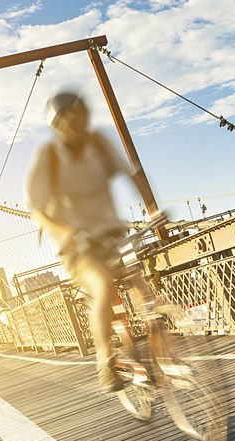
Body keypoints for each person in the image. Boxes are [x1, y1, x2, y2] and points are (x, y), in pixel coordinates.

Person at [25, 90, 150, 392]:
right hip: (76, 245)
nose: (80, 124)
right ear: (57, 124)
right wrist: (65, 230)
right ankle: (105, 361)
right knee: (104, 284)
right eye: (72, 120)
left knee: (143, 284)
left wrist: (152, 209)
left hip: (111, 232)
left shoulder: (98, 143)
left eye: (84, 117)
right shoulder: (49, 156)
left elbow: (131, 175)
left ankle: (160, 352)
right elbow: (37, 210)